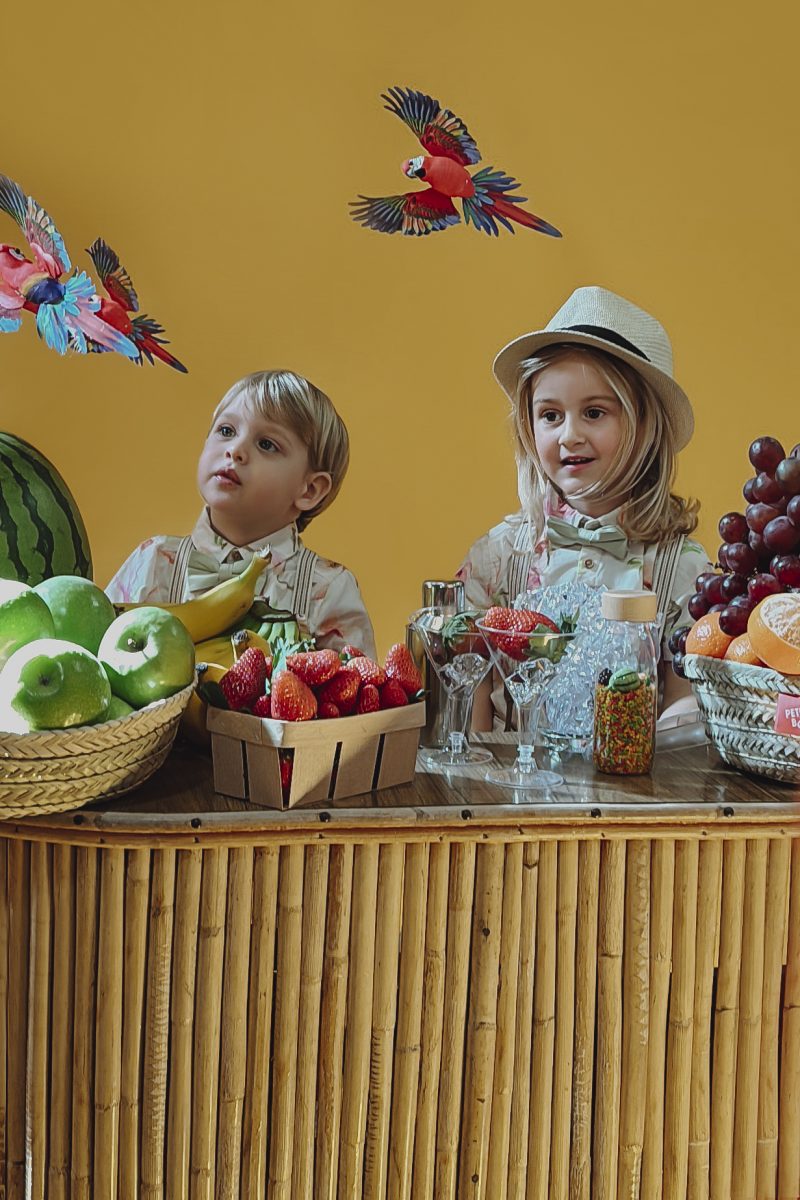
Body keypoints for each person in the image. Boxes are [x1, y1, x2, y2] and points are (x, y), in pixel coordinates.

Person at [457, 285, 712, 728]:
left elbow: (683, 706)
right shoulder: (498, 558)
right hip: (512, 792)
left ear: (646, 427)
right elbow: (466, 687)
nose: (569, 435)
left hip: (629, 791)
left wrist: (679, 720)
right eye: (550, 415)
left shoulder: (682, 568)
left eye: (594, 413)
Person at [107, 369, 377, 657]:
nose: (235, 450)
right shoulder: (155, 562)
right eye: (226, 431)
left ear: (309, 490)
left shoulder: (328, 589)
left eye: (266, 444)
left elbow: (360, 695)